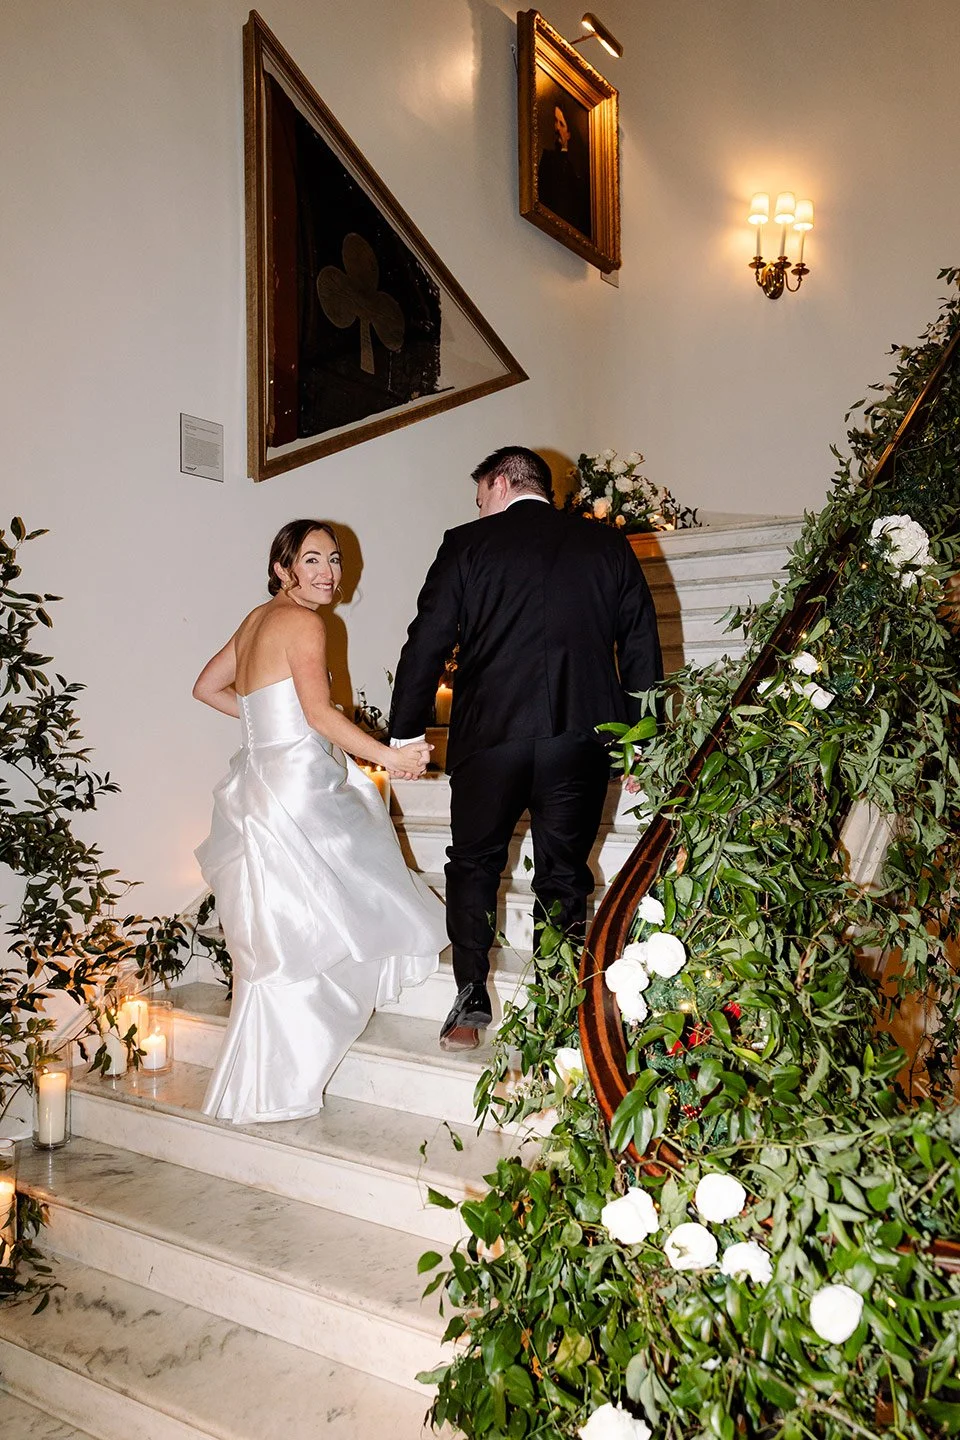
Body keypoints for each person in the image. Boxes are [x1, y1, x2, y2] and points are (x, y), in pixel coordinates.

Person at [389, 446, 662, 1052]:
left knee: (474, 864)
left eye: (480, 497)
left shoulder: (466, 544)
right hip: (581, 738)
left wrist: (405, 731)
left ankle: (470, 998)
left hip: (491, 737)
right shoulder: (608, 545)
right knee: (564, 874)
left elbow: (426, 640)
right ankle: (558, 1005)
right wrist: (642, 738)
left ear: (500, 483)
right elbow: (641, 643)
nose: (479, 509)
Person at [193, 519, 446, 1124]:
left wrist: (266, 728)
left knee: (284, 929)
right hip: (299, 787)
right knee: (332, 901)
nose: (329, 572)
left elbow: (206, 688)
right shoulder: (305, 623)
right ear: (282, 569)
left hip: (260, 780)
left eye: (333, 559)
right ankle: (286, 1073)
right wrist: (388, 757)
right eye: (312, 560)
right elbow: (317, 713)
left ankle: (263, 1082)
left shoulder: (256, 619)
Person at [537, 102, 591, 237]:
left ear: (569, 133)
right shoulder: (547, 159)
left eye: (561, 124)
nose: (557, 128)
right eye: (555, 122)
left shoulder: (579, 169)